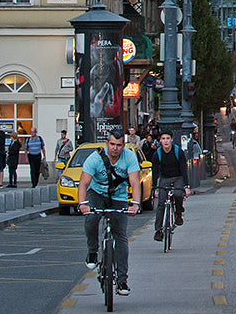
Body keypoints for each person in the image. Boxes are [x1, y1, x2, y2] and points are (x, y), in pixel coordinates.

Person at [79, 127, 142, 296]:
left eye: (119, 145)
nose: (115, 148)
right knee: (91, 218)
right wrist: (82, 204)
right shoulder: (95, 158)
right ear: (107, 143)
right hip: (96, 193)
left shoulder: (129, 157)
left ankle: (122, 280)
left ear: (124, 145)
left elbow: (135, 182)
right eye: (112, 144)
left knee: (120, 234)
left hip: (118, 195)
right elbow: (83, 183)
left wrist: (135, 204)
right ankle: (92, 253)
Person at [150, 128, 191, 241]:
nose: (166, 141)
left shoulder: (178, 152)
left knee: (178, 194)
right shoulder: (157, 154)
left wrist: (186, 186)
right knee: (161, 204)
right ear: (160, 141)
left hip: (177, 177)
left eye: (168, 138)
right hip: (164, 178)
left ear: (172, 140)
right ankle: (158, 230)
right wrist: (155, 188)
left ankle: (178, 213)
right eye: (163, 139)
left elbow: (183, 169)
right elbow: (155, 172)